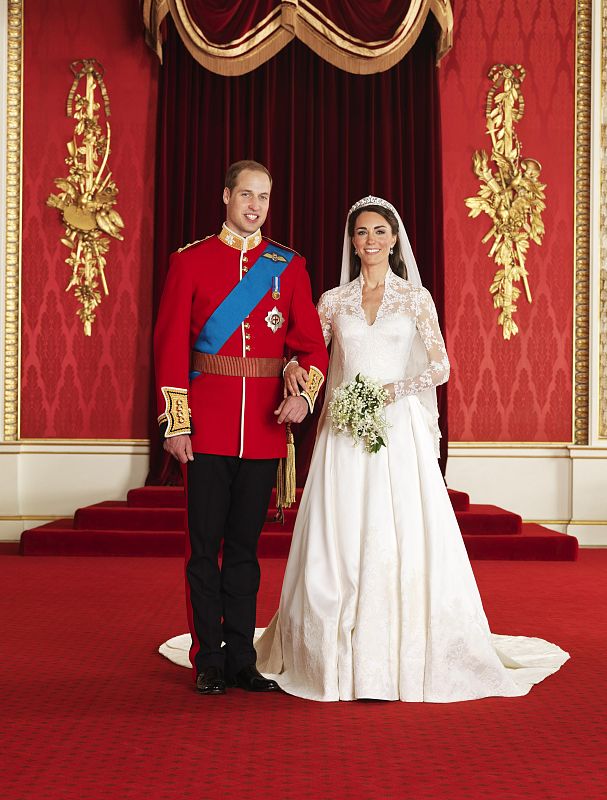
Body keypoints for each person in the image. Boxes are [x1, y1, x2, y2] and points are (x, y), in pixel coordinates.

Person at [251, 196, 570, 701]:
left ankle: (397, 657)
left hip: (397, 431)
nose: (370, 241)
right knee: (340, 535)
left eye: (380, 232)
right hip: (344, 431)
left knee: (395, 533)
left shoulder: (415, 300)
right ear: (351, 242)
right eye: (361, 233)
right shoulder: (333, 300)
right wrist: (293, 368)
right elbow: (311, 353)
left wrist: (390, 393)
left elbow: (440, 367)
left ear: (395, 239)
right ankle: (332, 656)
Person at [154, 160, 328, 696]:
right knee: (204, 549)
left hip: (262, 432)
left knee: (247, 551)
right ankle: (208, 658)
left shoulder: (287, 266)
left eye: (264, 197)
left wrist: (301, 396)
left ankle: (242, 661)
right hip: (205, 428)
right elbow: (167, 350)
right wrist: (176, 425)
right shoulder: (190, 262)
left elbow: (311, 347)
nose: (255, 206)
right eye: (246, 195)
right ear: (226, 195)